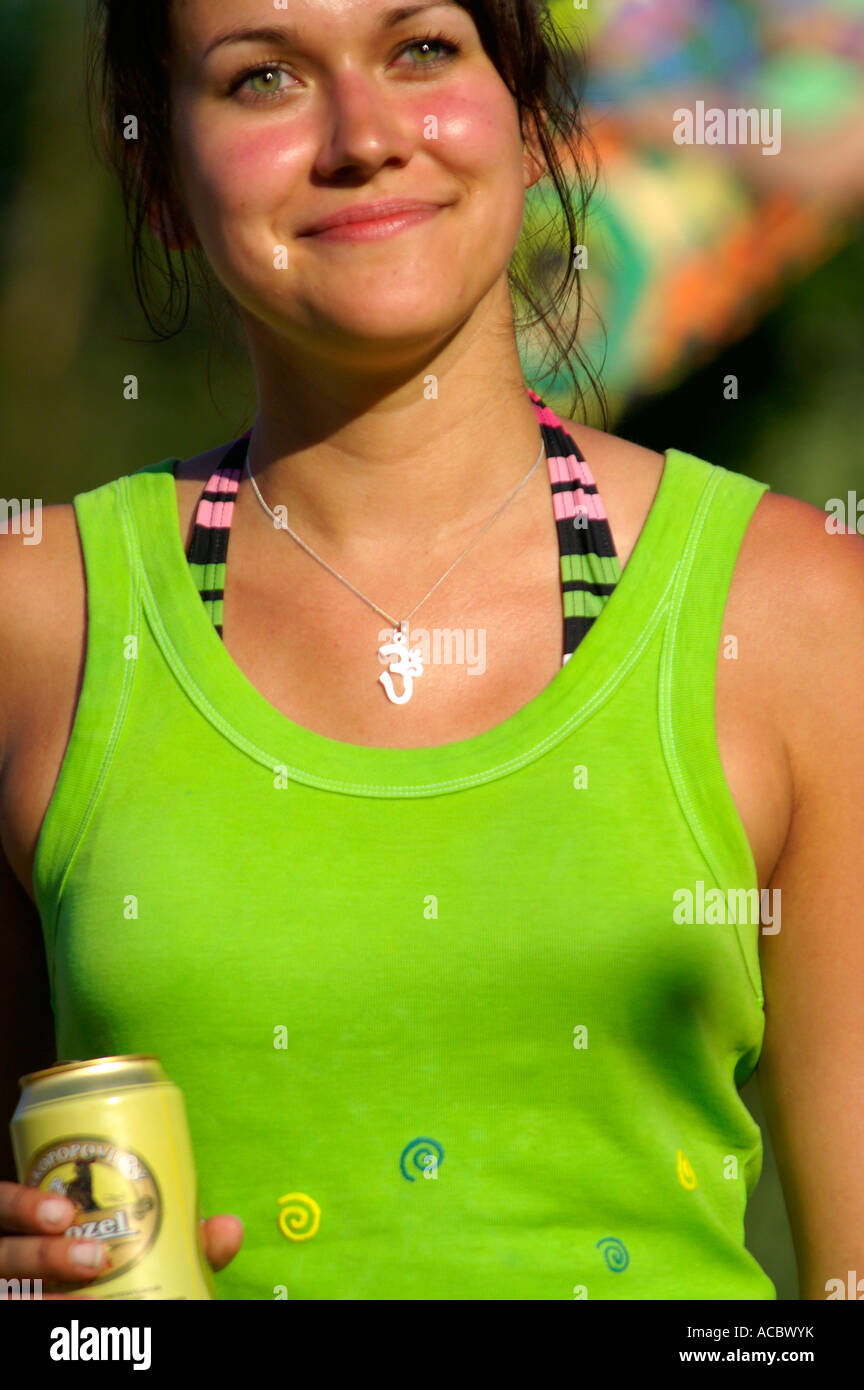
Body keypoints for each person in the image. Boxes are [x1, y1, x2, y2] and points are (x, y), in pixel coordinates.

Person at [1, 0, 862, 1302]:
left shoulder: (796, 603)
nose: (363, 135)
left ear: (524, 112)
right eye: (262, 79)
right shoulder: (34, 617)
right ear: (161, 174)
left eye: (421, 50)